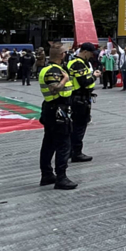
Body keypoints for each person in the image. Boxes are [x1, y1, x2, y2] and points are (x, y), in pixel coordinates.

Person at [37, 43, 77, 190]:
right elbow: (55, 90)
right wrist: (64, 80)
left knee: (49, 143)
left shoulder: (50, 69)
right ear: (61, 55)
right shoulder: (53, 71)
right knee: (63, 144)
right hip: (57, 109)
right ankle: (61, 177)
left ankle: (47, 174)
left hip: (52, 109)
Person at [66, 43, 100, 162]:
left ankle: (70, 151)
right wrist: (94, 76)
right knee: (79, 127)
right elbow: (84, 82)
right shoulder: (78, 64)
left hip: (76, 97)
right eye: (90, 53)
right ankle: (77, 153)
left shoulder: (73, 62)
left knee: (75, 127)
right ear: (85, 52)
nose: (91, 56)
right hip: (79, 98)